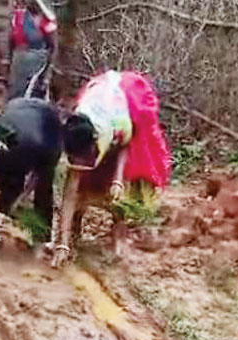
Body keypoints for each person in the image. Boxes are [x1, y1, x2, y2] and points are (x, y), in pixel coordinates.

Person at [49, 70, 172, 268]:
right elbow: (70, 193)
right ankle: (72, 232)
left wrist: (117, 179)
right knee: (83, 185)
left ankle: (118, 235)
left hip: (129, 102)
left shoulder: (117, 124)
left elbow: (125, 146)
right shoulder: (76, 131)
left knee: (121, 189)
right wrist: (61, 245)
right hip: (99, 100)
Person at [0, 97, 63, 269]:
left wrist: (24, 195)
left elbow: (38, 178)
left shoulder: (43, 147)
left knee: (44, 188)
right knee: (9, 189)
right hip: (18, 111)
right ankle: (6, 211)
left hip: (48, 124)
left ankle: (41, 240)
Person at [7, 0, 57, 101]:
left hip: (37, 68)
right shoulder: (18, 16)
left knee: (32, 98)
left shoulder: (46, 20)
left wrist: (47, 75)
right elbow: (10, 42)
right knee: (15, 97)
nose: (27, 0)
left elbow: (53, 48)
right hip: (18, 65)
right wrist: (7, 63)